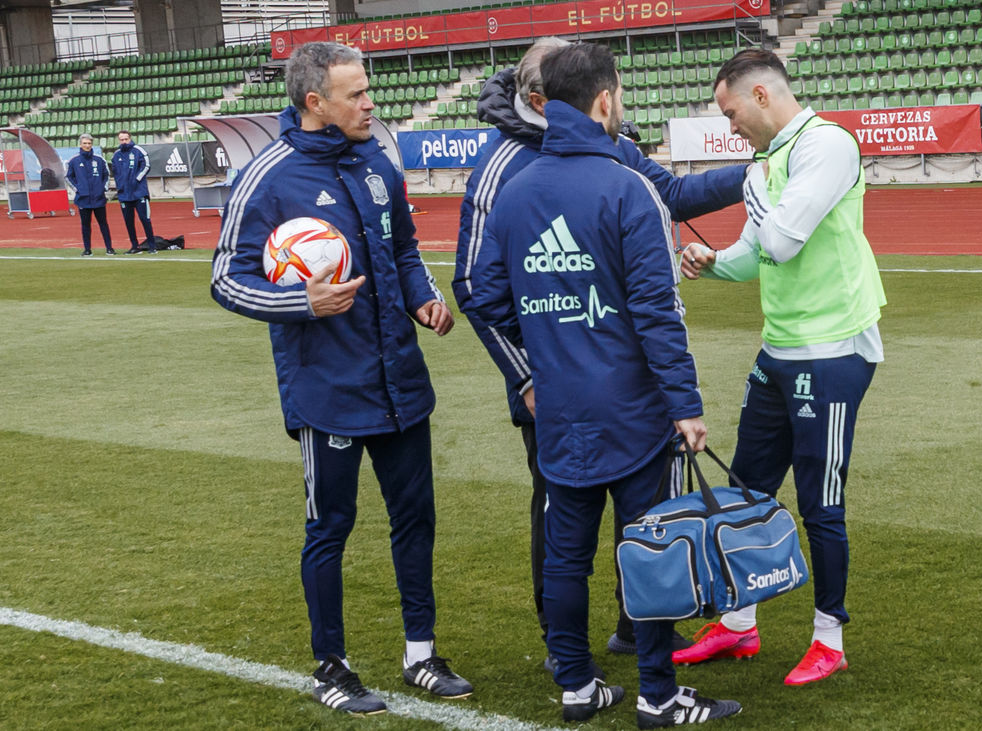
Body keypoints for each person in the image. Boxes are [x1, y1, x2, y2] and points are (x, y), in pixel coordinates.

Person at [465, 42, 742, 728]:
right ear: (605, 100)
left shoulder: (518, 187)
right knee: (652, 549)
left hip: (559, 405)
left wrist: (547, 342)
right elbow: (656, 310)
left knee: (567, 554)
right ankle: (656, 693)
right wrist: (686, 403)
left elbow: (485, 294)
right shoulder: (627, 187)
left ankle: (577, 685)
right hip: (633, 406)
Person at [209, 41, 470, 716]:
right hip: (326, 388)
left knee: (416, 519)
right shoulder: (266, 176)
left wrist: (423, 296)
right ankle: (332, 665)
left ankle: (421, 653)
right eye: (355, 94)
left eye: (368, 90)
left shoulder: (379, 161)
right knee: (331, 526)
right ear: (313, 101)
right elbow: (224, 279)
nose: (370, 102)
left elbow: (404, 247)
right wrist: (304, 302)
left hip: (401, 381)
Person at [676, 48, 887, 687]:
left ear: (763, 95)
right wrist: (713, 262)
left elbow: (782, 240)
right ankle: (739, 626)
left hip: (831, 353)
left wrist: (754, 195)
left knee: (820, 501)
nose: (730, 126)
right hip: (780, 349)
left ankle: (830, 637)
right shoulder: (766, 165)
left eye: (732, 111)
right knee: (745, 489)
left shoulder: (827, 147)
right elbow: (752, 256)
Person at [66, 133, 114, 256]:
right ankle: (87, 249)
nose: (87, 146)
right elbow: (68, 177)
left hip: (99, 198)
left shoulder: (99, 160)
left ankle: (109, 248)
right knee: (85, 225)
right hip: (83, 199)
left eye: (89, 143)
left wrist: (103, 188)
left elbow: (106, 175)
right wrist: (78, 189)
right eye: (85, 143)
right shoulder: (74, 161)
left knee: (103, 224)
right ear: (80, 145)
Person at [111, 130, 157, 254]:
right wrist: (120, 184)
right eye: (121, 139)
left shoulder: (139, 151)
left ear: (130, 138)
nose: (124, 142)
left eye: (126, 139)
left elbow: (147, 166)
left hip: (139, 192)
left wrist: (136, 179)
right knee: (128, 222)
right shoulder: (116, 155)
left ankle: (152, 246)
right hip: (124, 194)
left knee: (145, 219)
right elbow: (114, 171)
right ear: (118, 140)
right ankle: (134, 246)